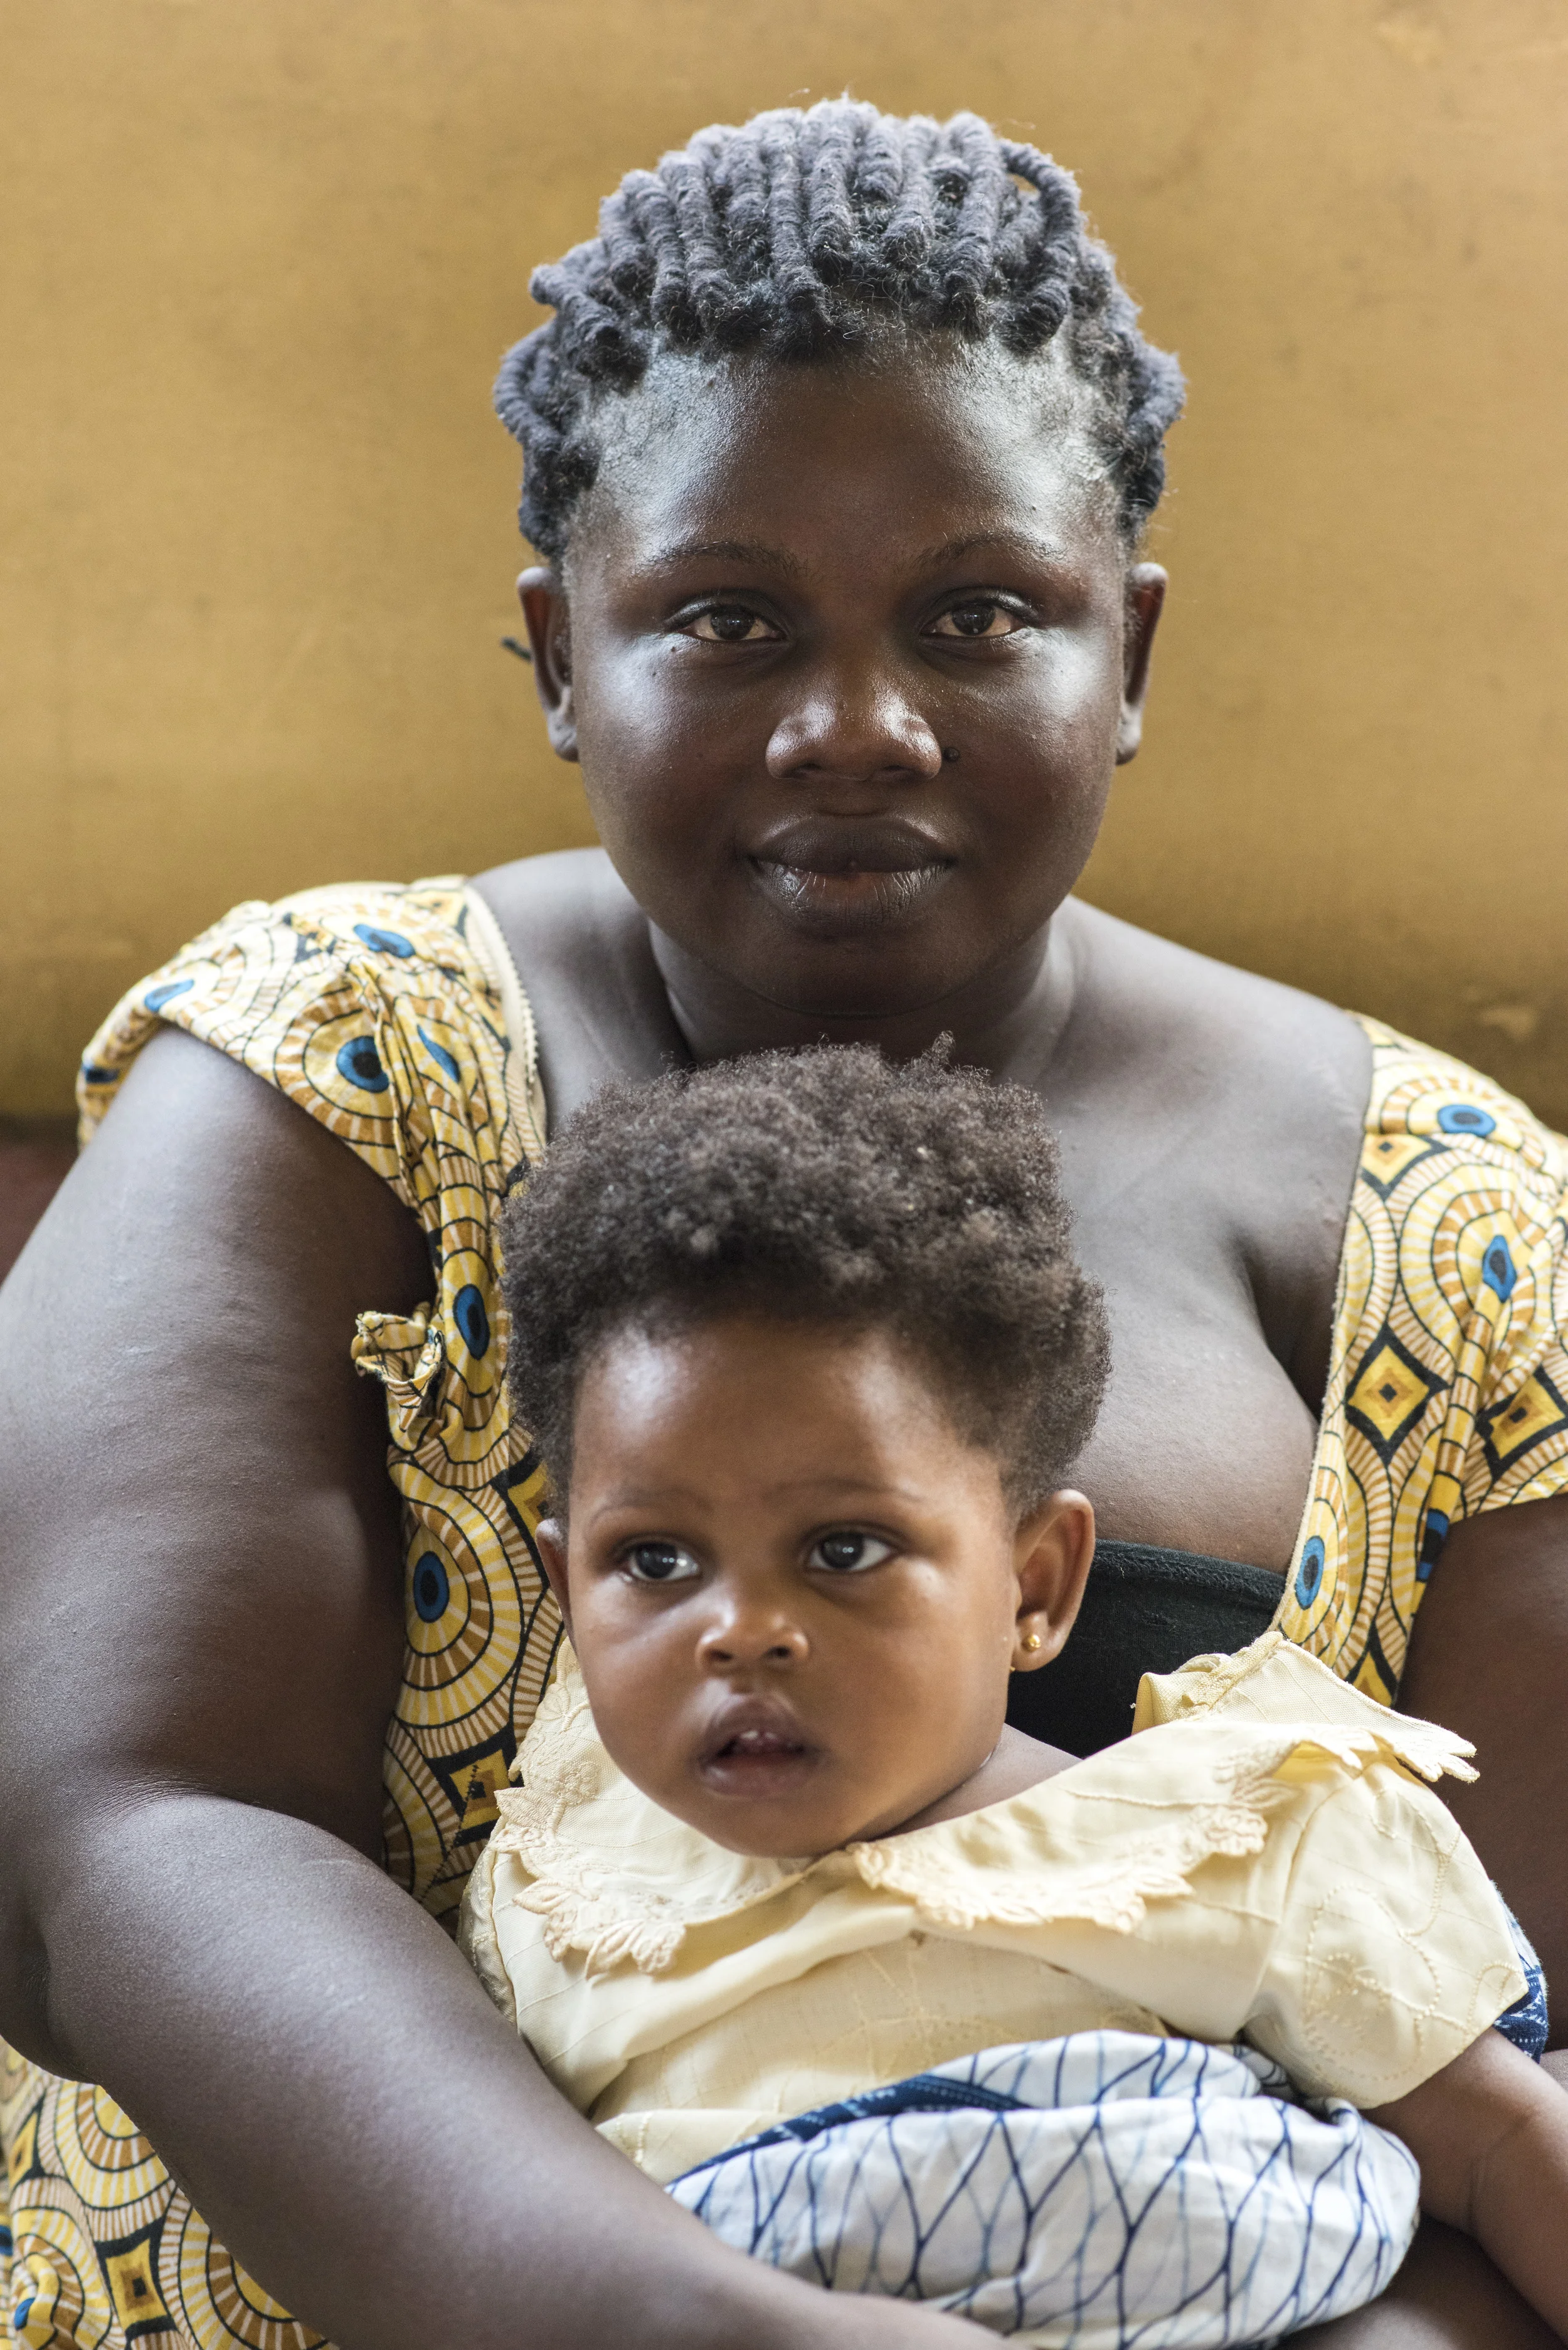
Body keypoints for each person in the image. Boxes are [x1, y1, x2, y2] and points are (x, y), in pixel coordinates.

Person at [2, 97, 1566, 2350]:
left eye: (981, 616)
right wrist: (682, 2326)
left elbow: (1512, 2051)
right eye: (728, 619)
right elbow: (123, 1832)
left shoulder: (1455, 1228)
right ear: (559, 652)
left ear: (1127, 651)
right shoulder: (336, 1072)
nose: (859, 728)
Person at [460, 1043, 1564, 2346]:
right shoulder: (561, 1884)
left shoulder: (1227, 1831)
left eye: (841, 1550)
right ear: (564, 1593)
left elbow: (1499, 2144)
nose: (741, 1631)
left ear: (1034, 1584)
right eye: (654, 1562)